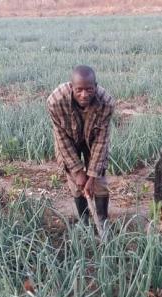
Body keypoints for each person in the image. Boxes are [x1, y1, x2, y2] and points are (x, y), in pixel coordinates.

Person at [47, 65, 115, 225]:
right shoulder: (55, 102)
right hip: (70, 139)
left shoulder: (106, 103)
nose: (84, 95)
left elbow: (101, 141)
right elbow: (62, 139)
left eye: (89, 89)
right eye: (79, 90)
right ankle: (84, 221)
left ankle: (102, 222)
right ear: (71, 87)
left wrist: (91, 177)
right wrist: (78, 172)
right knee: (75, 182)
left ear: (95, 87)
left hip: (93, 139)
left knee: (99, 181)